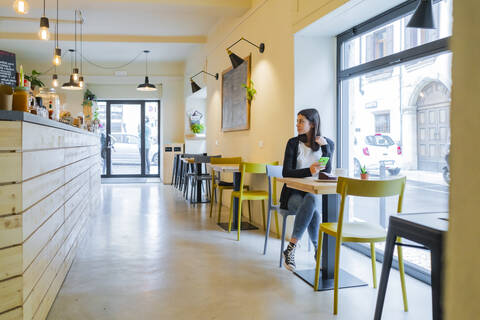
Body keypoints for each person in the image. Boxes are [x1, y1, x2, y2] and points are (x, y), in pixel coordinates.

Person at [280, 108, 334, 271]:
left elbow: (326, 172)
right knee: (312, 205)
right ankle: (319, 251)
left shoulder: (327, 143)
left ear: (312, 124)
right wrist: (308, 171)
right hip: (293, 194)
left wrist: (325, 148)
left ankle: (290, 249)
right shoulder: (293, 143)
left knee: (311, 201)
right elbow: (286, 172)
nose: (297, 125)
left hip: (315, 195)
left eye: (301, 121)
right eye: (297, 121)